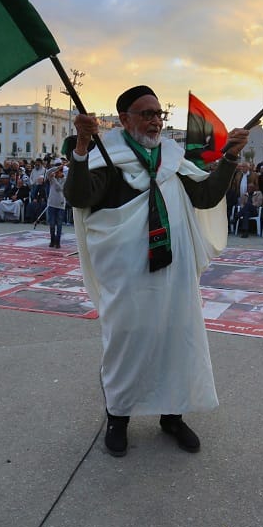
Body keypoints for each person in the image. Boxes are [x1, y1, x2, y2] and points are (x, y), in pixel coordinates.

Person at [64, 85, 247, 457]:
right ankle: (118, 418)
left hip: (173, 275)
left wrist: (228, 158)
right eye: (145, 113)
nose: (154, 120)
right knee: (126, 344)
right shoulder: (108, 157)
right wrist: (81, 148)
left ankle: (172, 416)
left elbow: (207, 195)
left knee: (175, 341)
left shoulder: (174, 159)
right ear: (124, 119)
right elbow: (80, 197)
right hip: (126, 278)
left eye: (158, 113)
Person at [45, 162, 67, 248]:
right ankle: (52, 240)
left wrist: (53, 179)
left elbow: (59, 188)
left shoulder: (64, 179)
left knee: (59, 224)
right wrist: (56, 168)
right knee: (52, 224)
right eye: (57, 172)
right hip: (51, 204)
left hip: (61, 205)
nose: (58, 173)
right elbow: (47, 172)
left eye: (59, 172)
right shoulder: (51, 178)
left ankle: (58, 242)